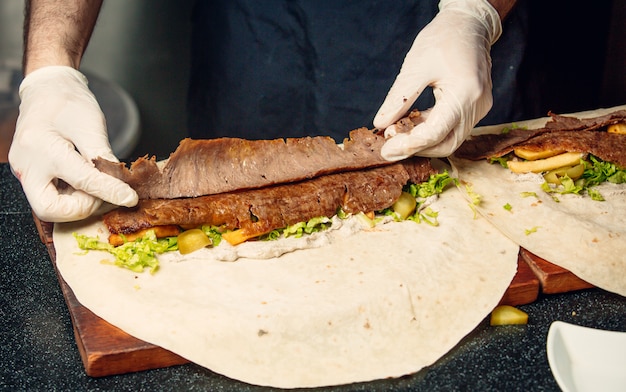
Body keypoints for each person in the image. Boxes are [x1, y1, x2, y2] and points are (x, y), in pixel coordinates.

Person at [9, 0, 521, 223]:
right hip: (254, 29)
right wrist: (50, 68)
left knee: (439, 173)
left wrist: (474, 11)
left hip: (422, 27)